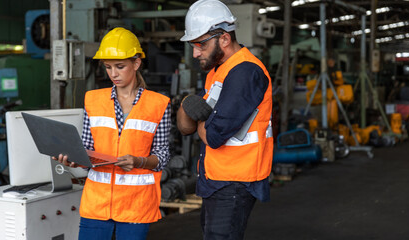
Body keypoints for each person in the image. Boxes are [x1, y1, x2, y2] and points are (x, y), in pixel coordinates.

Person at [53, 27, 171, 240]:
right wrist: (73, 160)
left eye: (120, 66)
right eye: (108, 67)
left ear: (136, 63)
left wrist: (138, 161)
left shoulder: (159, 104)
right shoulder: (93, 100)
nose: (113, 74)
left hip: (136, 205)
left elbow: (162, 157)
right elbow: (87, 149)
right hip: (96, 204)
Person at [177, 0, 274, 239]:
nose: (195, 52)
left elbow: (213, 135)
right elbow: (185, 126)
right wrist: (187, 107)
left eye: (200, 44)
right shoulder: (218, 71)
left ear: (224, 38)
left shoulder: (245, 72)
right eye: (193, 45)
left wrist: (199, 118)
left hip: (235, 181)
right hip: (216, 179)